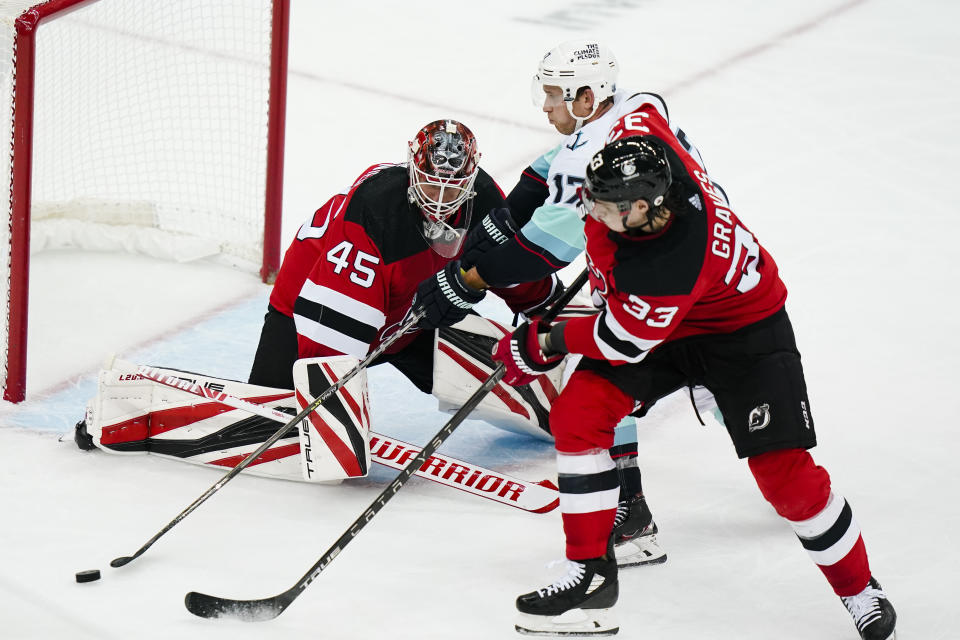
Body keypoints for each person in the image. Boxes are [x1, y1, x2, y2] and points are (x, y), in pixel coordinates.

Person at [491, 104, 897, 639]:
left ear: (642, 208)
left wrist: (546, 338)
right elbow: (644, 107)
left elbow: (622, 339)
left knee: (786, 480)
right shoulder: (647, 154)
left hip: (742, 333)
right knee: (579, 415)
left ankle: (859, 589)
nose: (591, 213)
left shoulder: (671, 262)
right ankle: (590, 580)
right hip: (659, 321)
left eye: (606, 207)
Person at [414, 39, 710, 568]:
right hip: (687, 267)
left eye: (554, 95)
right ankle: (633, 510)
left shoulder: (598, 157)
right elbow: (543, 176)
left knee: (603, 379)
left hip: (670, 286)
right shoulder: (629, 112)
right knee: (613, 377)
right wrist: (492, 230)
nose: (545, 106)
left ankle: (632, 513)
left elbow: (541, 252)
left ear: (588, 95)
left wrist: (467, 278)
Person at [248, 118, 559, 431]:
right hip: (307, 316)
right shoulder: (375, 209)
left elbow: (518, 275)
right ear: (412, 168)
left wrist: (560, 324)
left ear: (471, 179)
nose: (439, 198)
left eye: (452, 187)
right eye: (431, 182)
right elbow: (330, 341)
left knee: (518, 386)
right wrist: (327, 413)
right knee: (270, 424)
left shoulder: (485, 200)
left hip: (414, 318)